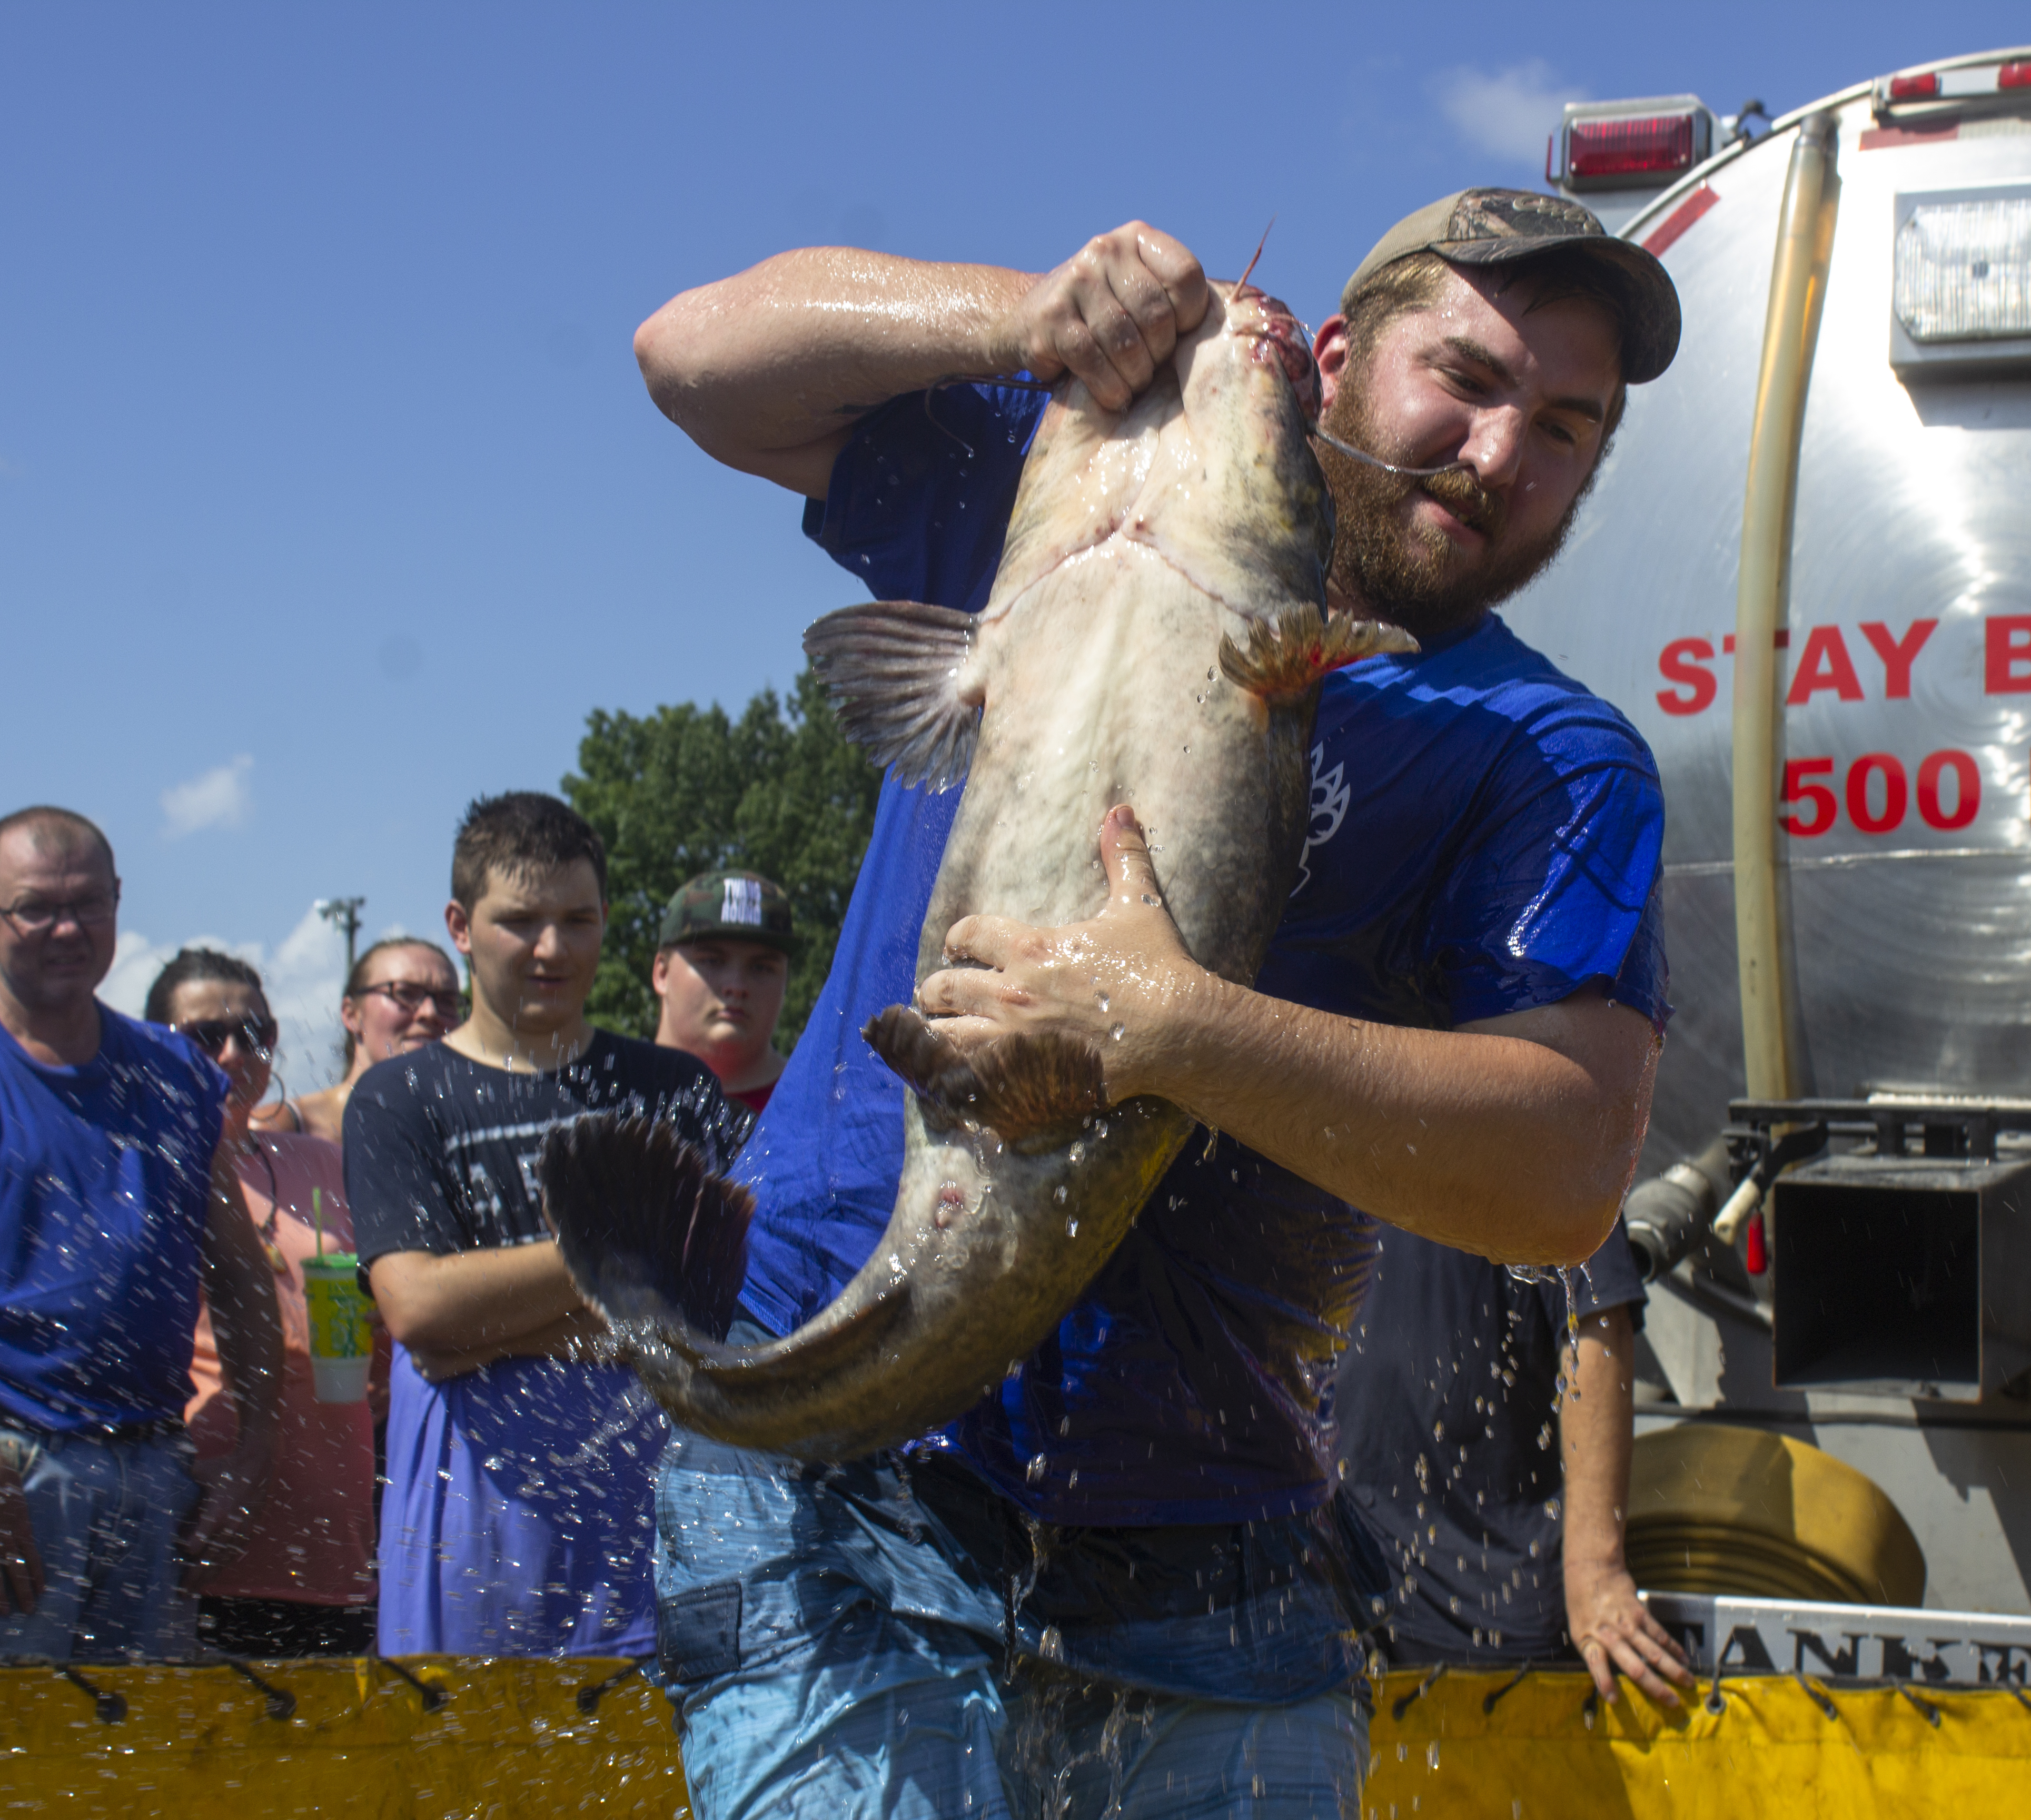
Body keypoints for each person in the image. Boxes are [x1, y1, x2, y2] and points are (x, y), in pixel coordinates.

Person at [630, 188, 1680, 1815]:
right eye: (1460, 380)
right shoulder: (1039, 476)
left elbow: (1563, 1169)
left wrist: (1176, 1031)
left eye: (1564, 426)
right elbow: (697, 358)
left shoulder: (1549, 758)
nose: (1493, 453)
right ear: (1333, 361)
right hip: (832, 1474)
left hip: (1214, 1549)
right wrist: (1016, 316)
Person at [0, 805, 283, 1661]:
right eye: (36, 907)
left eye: (87, 906)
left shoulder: (176, 1076)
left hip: (151, 1476)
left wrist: (255, 1444)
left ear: (117, 902)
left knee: (139, 1780)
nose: (66, 929)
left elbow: (240, 1270)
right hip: (4, 1483)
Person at [343, 792, 745, 1657]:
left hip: (664, 1510)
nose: (553, 948)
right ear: (459, 923)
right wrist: (629, 1259)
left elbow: (727, 1296)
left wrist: (482, 1327)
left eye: (578, 919)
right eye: (520, 921)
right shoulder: (401, 1096)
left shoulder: (674, 1090)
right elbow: (417, 1312)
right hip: (471, 1517)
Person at [1326, 1225, 1677, 1704]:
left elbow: (1597, 1321)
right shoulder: (1337, 1151)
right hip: (1338, 1593)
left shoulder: (1556, 1150)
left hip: (1487, 1612)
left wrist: (1596, 1568)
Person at [148, 947, 383, 1658]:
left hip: (335, 1532)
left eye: (253, 1033)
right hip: (209, 1523)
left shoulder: (322, 1164)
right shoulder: (145, 1170)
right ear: (156, 1043)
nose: (230, 1054)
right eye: (202, 1036)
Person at [255, 937, 463, 1142]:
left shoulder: (466, 1130)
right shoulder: (282, 1130)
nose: (431, 1012)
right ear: (352, 1015)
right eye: (405, 993)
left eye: (447, 1001)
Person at [650, 869, 794, 1115]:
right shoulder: (603, 1093)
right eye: (712, 961)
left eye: (761, 967)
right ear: (662, 974)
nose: (736, 987)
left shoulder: (824, 1108)